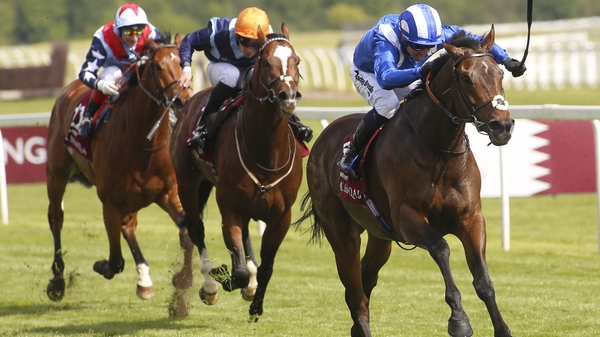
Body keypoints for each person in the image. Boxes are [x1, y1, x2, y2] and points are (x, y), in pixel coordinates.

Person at [338, 3, 527, 178]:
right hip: (369, 71)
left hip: (401, 69)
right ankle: (351, 152)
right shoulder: (386, 38)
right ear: (404, 37)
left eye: (428, 47)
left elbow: (479, 41)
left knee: (423, 100)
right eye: (417, 47)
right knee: (389, 105)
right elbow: (386, 78)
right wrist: (420, 71)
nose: (422, 52)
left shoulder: (439, 34)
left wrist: (507, 61)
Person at [178, 6, 313, 150]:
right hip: (221, 66)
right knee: (232, 76)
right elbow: (188, 41)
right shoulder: (218, 32)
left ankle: (295, 123)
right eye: (245, 42)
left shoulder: (269, 35)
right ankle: (202, 127)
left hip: (249, 70)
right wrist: (186, 68)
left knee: (270, 81)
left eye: (255, 45)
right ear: (236, 35)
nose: (249, 50)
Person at [78, 2, 163, 139]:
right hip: (114, 76)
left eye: (138, 32)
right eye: (128, 32)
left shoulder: (152, 33)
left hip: (140, 76)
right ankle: (89, 115)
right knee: (111, 74)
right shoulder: (103, 37)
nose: (134, 38)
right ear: (118, 28)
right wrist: (100, 85)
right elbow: (85, 72)